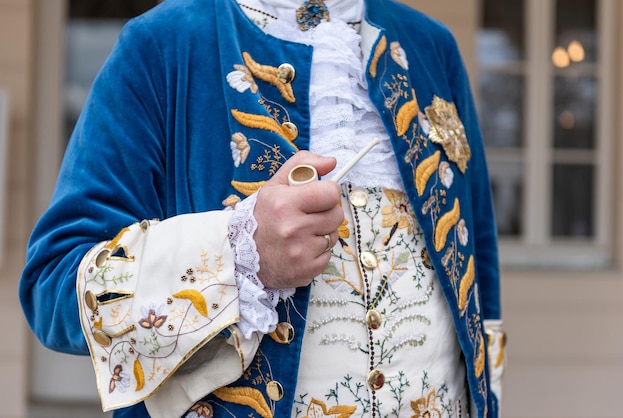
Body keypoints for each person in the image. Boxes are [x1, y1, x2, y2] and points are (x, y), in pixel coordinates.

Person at [19, 0, 506, 417]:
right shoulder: (163, 44)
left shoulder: (431, 47)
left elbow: (481, 285)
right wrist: (235, 255)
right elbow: (54, 285)